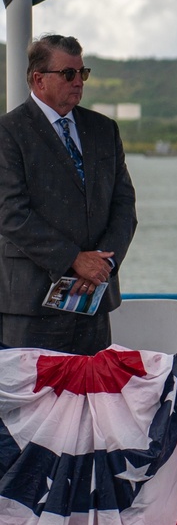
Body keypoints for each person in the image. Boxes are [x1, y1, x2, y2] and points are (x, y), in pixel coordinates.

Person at [0, 34, 137, 355]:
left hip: (93, 297)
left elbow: (124, 204)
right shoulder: (8, 133)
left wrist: (103, 265)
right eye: (68, 74)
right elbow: (10, 213)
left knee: (93, 398)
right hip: (31, 301)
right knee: (35, 402)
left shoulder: (104, 129)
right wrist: (74, 260)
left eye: (83, 73)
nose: (79, 82)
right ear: (38, 79)